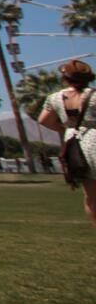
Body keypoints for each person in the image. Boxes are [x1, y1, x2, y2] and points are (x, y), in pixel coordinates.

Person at [37, 59, 96, 227]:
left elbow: (44, 120)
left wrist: (66, 129)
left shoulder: (55, 98)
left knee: (91, 195)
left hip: (75, 145)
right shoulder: (93, 95)